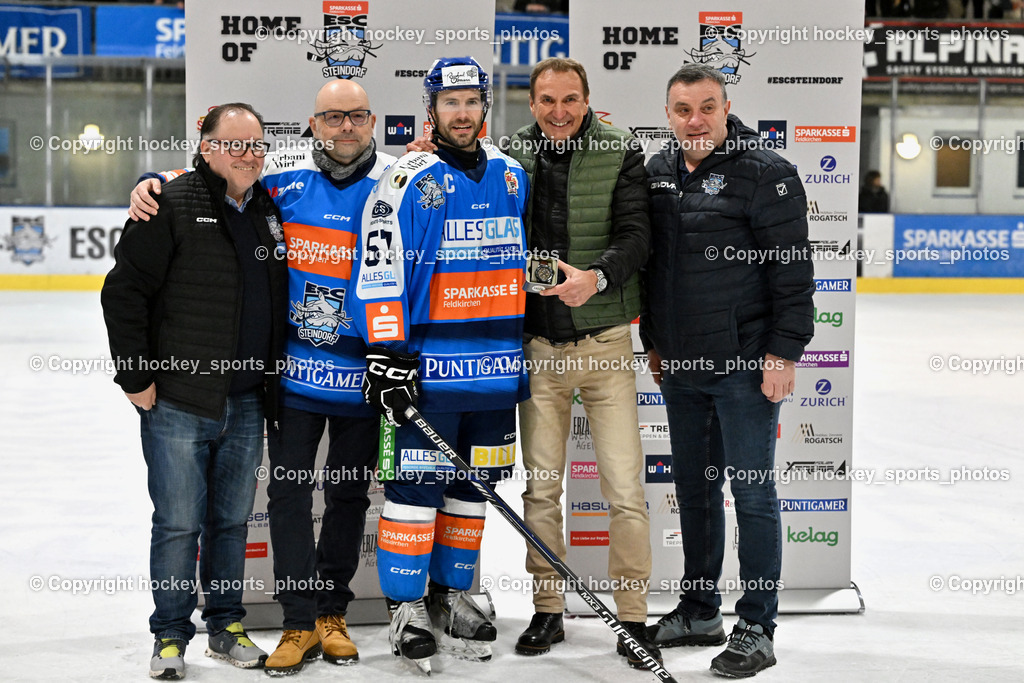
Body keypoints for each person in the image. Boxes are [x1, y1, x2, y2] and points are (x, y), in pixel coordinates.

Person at [128, 80, 396, 675]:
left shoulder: (395, 185)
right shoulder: (281, 185)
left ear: (373, 121)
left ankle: (328, 613)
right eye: (332, 116)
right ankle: (290, 622)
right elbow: (209, 183)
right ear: (313, 124)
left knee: (346, 494)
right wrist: (154, 180)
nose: (345, 126)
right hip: (281, 384)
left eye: (355, 116)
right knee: (270, 501)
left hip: (357, 379)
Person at [352, 56, 529, 673]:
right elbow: (378, 265)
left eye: (471, 100)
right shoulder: (408, 177)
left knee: (471, 489)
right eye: (449, 101)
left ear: (485, 106)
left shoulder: (512, 174)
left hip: (495, 372)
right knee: (412, 491)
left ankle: (452, 594)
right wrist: (385, 352)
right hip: (427, 374)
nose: (461, 111)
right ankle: (406, 607)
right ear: (431, 109)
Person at [641, 63, 814, 678]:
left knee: (753, 493)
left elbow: (793, 273)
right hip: (682, 366)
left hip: (745, 367)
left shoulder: (766, 173)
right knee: (693, 490)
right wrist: (656, 342)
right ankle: (699, 608)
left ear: (725, 106)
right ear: (668, 113)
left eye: (707, 107)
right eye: (683, 109)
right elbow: (656, 268)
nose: (696, 120)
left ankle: (758, 624)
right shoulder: (658, 171)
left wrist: (784, 352)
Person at [103, 102, 286, 680]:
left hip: (247, 399)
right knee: (179, 523)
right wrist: (135, 376)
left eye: (256, 145)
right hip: (179, 401)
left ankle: (227, 626)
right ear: (204, 147)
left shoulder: (267, 207)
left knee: (231, 523)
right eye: (234, 144)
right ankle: (170, 635)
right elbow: (123, 292)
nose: (248, 155)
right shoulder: (169, 202)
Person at [502, 57, 658, 669]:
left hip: (606, 344)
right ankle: (548, 608)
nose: (559, 111)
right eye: (547, 100)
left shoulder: (620, 148)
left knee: (625, 491)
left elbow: (638, 235)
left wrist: (594, 279)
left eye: (571, 100)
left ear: (588, 99)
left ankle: (635, 618)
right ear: (532, 102)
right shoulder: (510, 153)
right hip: (537, 349)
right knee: (541, 489)